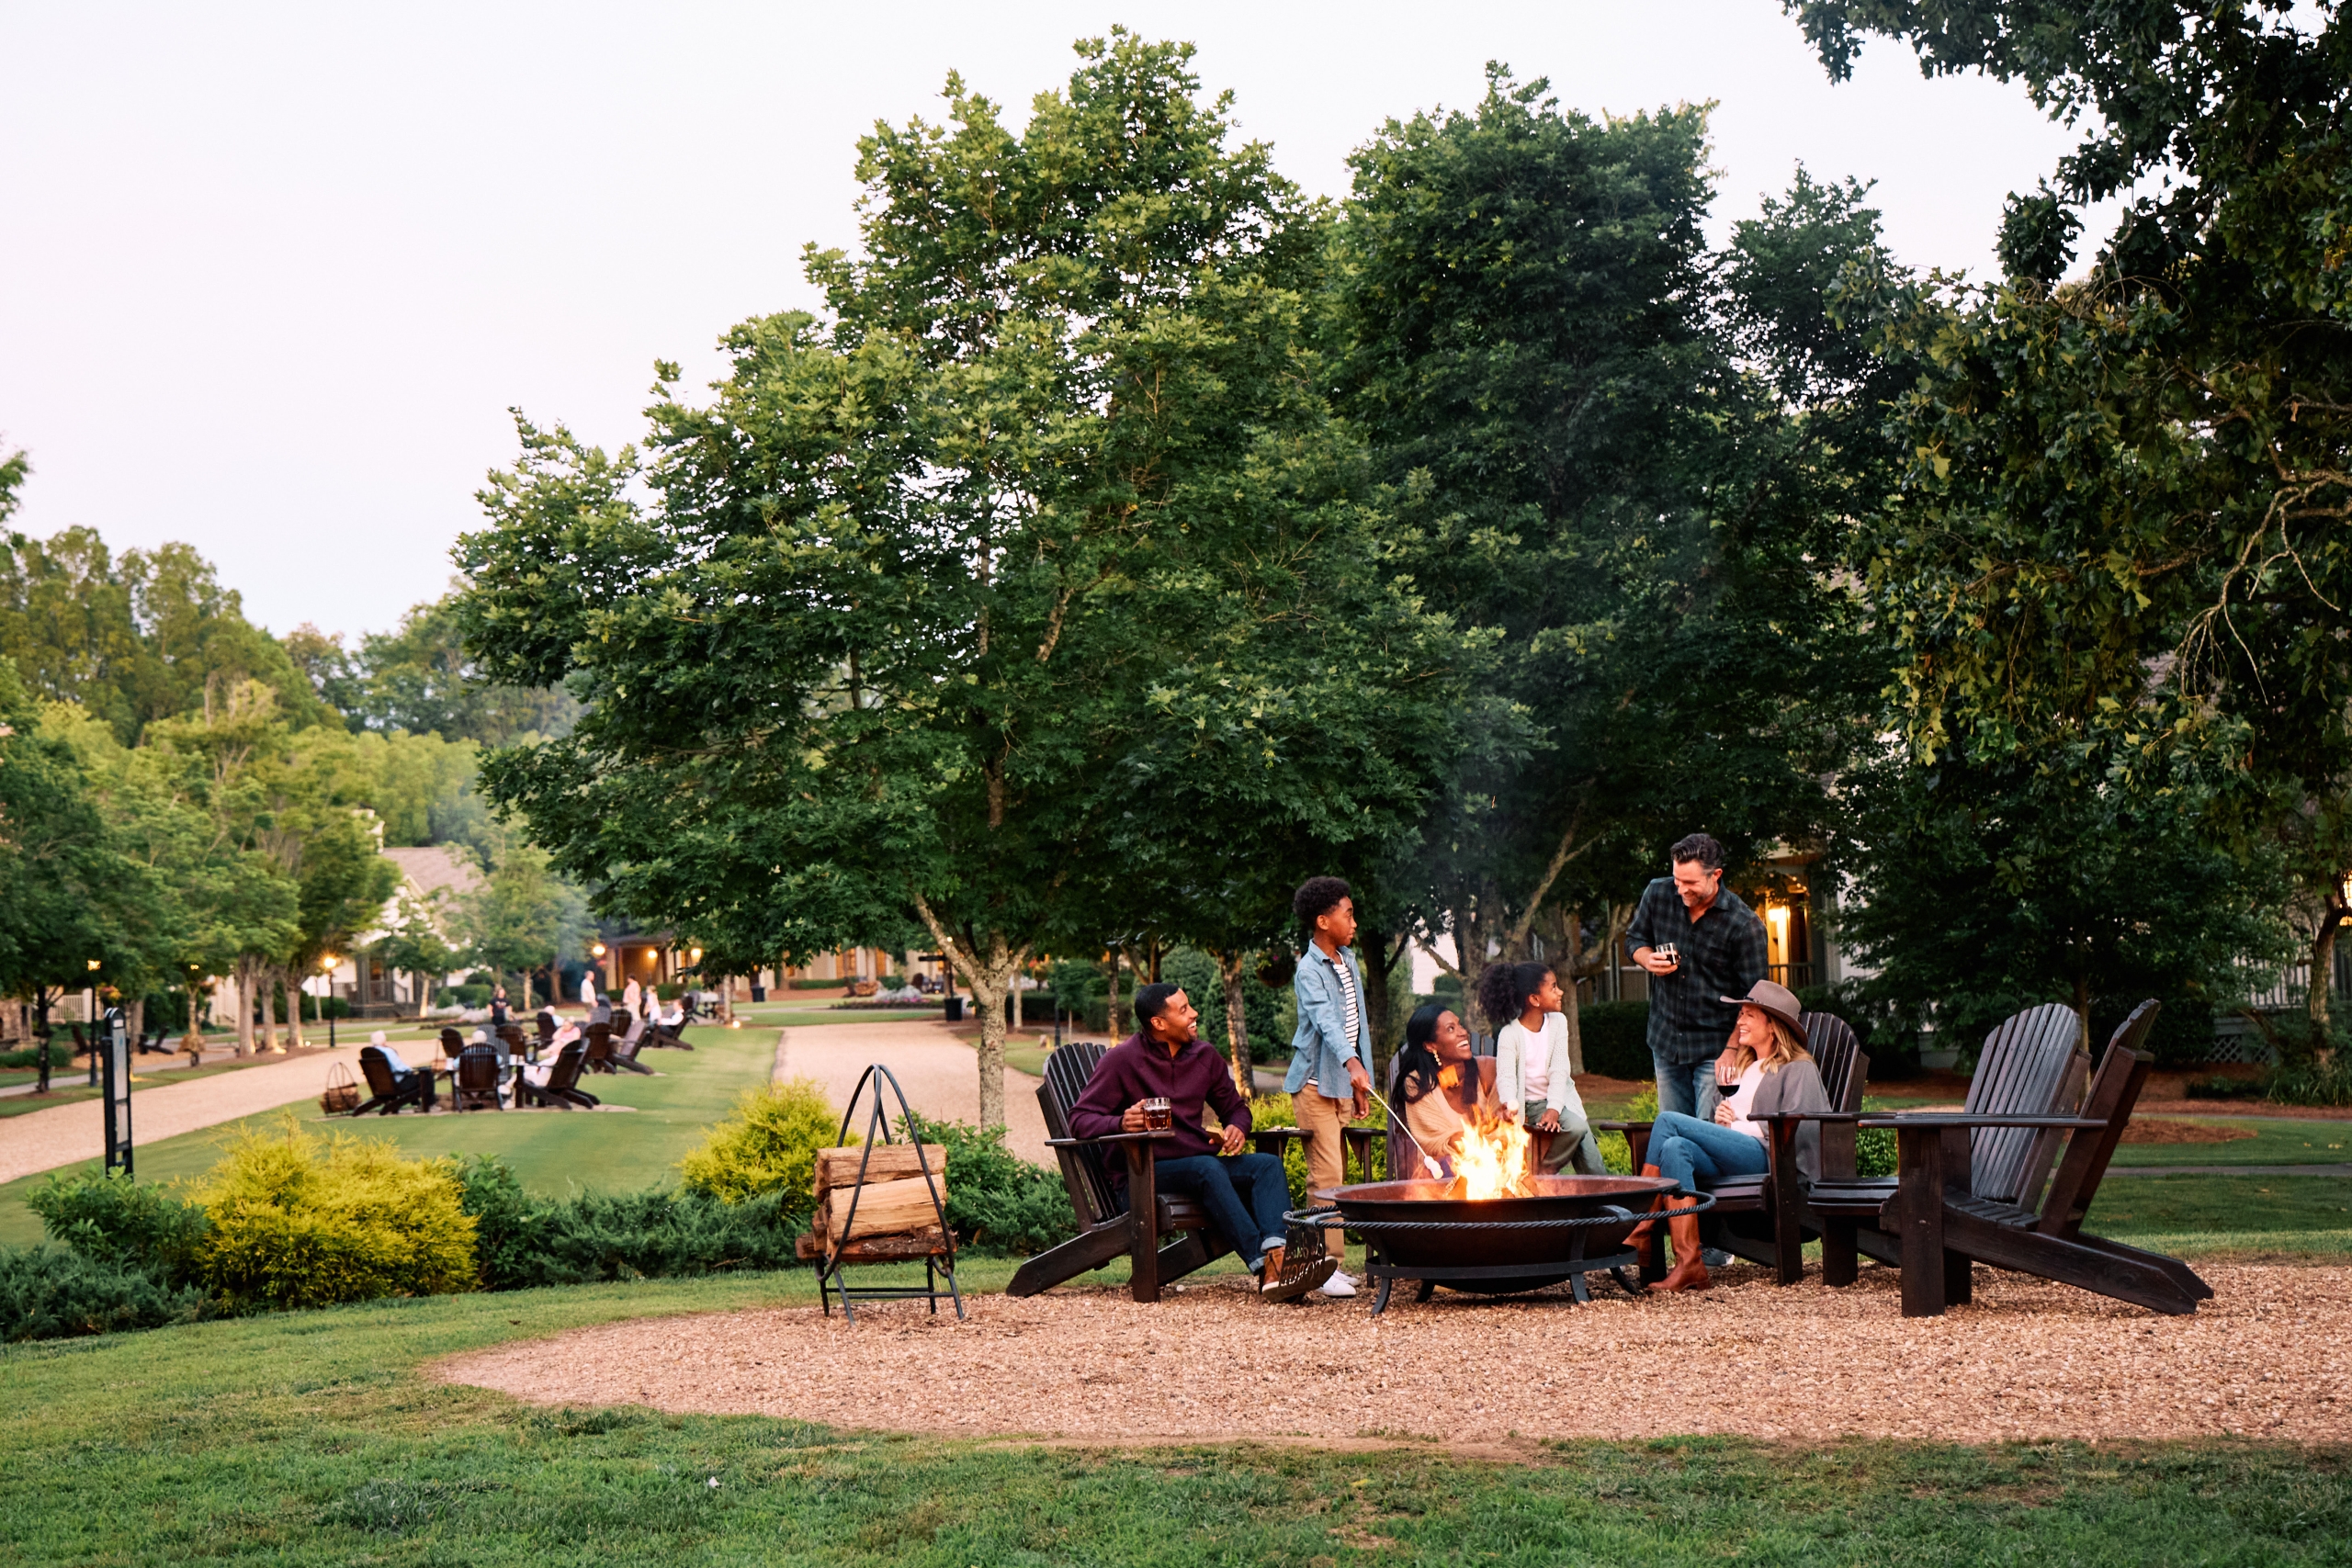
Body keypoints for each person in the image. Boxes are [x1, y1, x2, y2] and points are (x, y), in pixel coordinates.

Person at [1069, 982, 1336, 1301]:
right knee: (1206, 1168)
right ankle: (1267, 1268)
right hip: (1143, 1178)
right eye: (1183, 1010)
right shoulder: (1122, 1060)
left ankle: (1279, 1258)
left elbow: (1236, 1109)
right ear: (1159, 1023)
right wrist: (1120, 1122)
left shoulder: (1204, 1056)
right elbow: (1079, 1119)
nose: (1194, 1014)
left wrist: (1238, 1127)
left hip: (1199, 1168)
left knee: (1266, 1165)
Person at [1630, 978, 1830, 1292]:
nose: (1739, 1021)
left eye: (1748, 1015)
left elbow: (1801, 1126)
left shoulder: (1798, 1068)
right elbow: (1730, 1122)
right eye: (1740, 1015)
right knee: (1674, 1147)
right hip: (1738, 1155)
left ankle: (1642, 1222)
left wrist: (1734, 1124)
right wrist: (1722, 1121)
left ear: (1773, 1024)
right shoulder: (1745, 1067)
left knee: (1668, 1120)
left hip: (1770, 1157)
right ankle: (1690, 1263)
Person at [1623, 832, 1768, 1122]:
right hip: (1665, 1041)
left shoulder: (1745, 926)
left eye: (1690, 883)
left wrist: (1731, 1051)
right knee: (1673, 1130)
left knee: (1707, 1134)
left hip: (1714, 1049)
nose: (1680, 890)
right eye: (1677, 880)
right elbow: (1634, 939)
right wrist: (1646, 959)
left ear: (1716, 875)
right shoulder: (1657, 893)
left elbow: (1754, 999)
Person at [1283, 875, 1375, 1298]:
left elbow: (1358, 1030)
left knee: (1335, 1176)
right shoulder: (1308, 969)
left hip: (1339, 1083)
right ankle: (1324, 1266)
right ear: (1323, 920)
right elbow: (1328, 1023)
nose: (1354, 922)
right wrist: (1351, 1064)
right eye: (1348, 914)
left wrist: (1357, 1081)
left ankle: (1330, 1263)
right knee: (1326, 1177)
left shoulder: (1348, 960)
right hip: (1315, 1085)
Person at [1480, 961, 1605, 1176]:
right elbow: (1506, 1077)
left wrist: (1554, 1109)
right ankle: (1543, 1174)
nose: (1561, 992)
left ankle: (1600, 1190)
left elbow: (1559, 1070)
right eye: (1553, 987)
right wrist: (1509, 1105)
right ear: (1535, 999)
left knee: (1587, 1149)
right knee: (1577, 1127)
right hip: (1530, 1105)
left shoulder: (1558, 1022)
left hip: (1560, 1100)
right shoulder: (1509, 1035)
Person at [1390, 1002, 1500, 1178]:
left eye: (1460, 1025)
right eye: (1451, 1029)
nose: (1463, 1032)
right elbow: (1434, 1143)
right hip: (1440, 1175)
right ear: (1430, 1046)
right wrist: (1479, 1146)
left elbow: (1504, 1127)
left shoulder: (1487, 1070)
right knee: (1450, 1165)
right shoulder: (1417, 1084)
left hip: (1492, 1167)